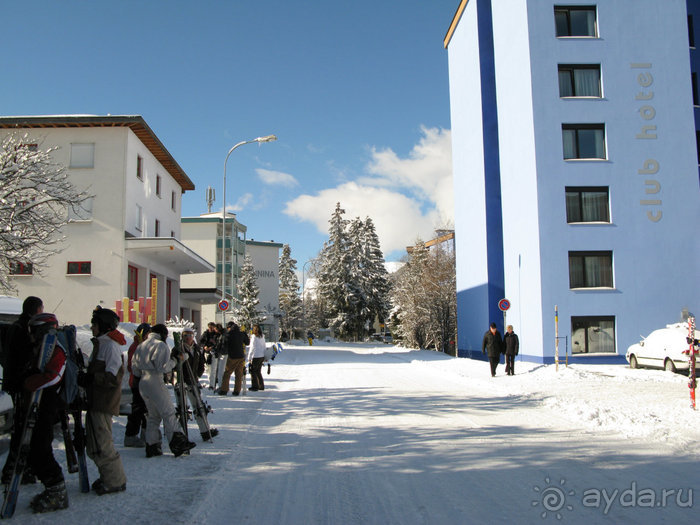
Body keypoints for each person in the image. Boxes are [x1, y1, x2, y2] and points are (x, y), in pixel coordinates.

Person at [9, 312, 69, 513]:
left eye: (34, 331)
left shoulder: (57, 349)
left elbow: (53, 376)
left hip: (47, 404)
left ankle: (57, 490)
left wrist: (30, 383)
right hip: (36, 404)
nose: (31, 335)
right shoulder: (40, 349)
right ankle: (50, 487)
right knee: (33, 449)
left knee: (40, 448)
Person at [132, 324, 196, 457]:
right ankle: (178, 443)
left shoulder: (141, 345)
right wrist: (175, 360)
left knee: (152, 416)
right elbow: (163, 367)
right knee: (168, 413)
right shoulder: (160, 345)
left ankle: (152, 445)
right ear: (163, 334)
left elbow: (135, 369)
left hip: (143, 381)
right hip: (155, 380)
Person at [1, 296, 44, 487]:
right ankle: (12, 471)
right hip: (21, 385)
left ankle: (23, 468)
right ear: (36, 310)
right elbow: (25, 356)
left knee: (21, 429)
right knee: (21, 429)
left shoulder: (15, 326)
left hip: (13, 383)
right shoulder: (25, 329)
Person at [84, 306, 127, 495]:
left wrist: (91, 378)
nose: (92, 327)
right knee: (94, 444)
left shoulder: (110, 346)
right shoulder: (101, 344)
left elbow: (113, 377)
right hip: (96, 400)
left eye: (95, 324)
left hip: (104, 401)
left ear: (103, 325)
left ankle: (115, 481)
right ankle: (107, 476)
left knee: (103, 443)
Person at [178, 328, 218, 440]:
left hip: (193, 380)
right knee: (182, 408)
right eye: (186, 335)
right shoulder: (179, 348)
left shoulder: (196, 348)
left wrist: (197, 374)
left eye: (190, 335)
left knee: (199, 406)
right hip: (182, 381)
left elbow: (201, 363)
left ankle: (205, 430)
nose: (188, 338)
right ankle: (179, 433)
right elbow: (174, 363)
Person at [123, 323, 150, 447]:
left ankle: (146, 434)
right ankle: (131, 435)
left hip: (144, 382)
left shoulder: (142, 346)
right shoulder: (136, 347)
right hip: (137, 383)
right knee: (138, 410)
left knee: (146, 410)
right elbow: (131, 366)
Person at [218, 321, 250, 396]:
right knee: (239, 374)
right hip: (241, 356)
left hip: (232, 356)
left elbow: (224, 345)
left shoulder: (228, 334)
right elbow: (247, 342)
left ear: (229, 327)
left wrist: (222, 352)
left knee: (227, 373)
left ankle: (224, 390)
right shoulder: (241, 333)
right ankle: (237, 391)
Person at [208, 324, 226, 391]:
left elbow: (222, 345)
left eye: (215, 329)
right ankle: (212, 384)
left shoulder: (223, 335)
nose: (214, 330)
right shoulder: (216, 335)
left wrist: (216, 350)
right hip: (216, 353)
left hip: (221, 354)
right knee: (213, 369)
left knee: (220, 370)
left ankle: (220, 385)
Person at [247, 324, 266, 392]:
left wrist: (249, 357)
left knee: (253, 371)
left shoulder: (254, 337)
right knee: (258, 371)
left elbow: (252, 347)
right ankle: (261, 385)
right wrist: (264, 355)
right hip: (261, 356)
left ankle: (255, 386)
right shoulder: (262, 336)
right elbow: (264, 346)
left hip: (255, 356)